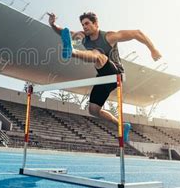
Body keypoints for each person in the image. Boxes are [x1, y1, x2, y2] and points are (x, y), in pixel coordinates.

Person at [48, 12, 162, 142]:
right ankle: (122, 125)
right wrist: (53, 24)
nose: (84, 27)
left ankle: (72, 52)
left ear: (96, 24)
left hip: (116, 74)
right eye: (82, 24)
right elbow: (64, 32)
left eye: (87, 23)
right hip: (103, 77)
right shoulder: (83, 37)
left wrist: (153, 49)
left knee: (98, 54)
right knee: (93, 110)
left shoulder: (109, 36)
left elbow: (137, 33)